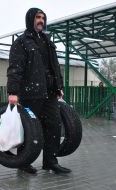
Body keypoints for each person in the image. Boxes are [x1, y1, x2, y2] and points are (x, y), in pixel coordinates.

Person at [7, 8, 71, 174]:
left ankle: (50, 161)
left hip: (49, 94)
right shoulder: (21, 42)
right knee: (30, 129)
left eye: (43, 18)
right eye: (37, 17)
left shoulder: (48, 41)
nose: (41, 20)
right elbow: (15, 68)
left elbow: (55, 67)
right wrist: (13, 92)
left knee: (54, 126)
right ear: (30, 19)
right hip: (30, 94)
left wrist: (59, 87)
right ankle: (23, 162)